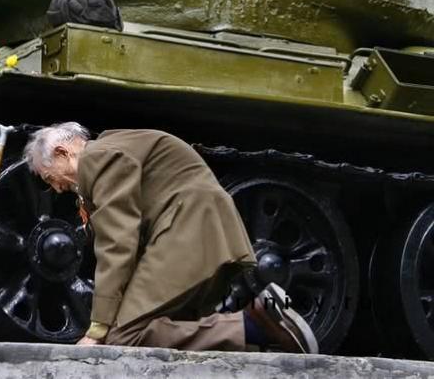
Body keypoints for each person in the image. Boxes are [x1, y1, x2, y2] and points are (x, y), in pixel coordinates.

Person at [22, 122, 318, 353]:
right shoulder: (110, 152)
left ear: (63, 153)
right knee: (165, 328)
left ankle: (254, 326)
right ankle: (265, 333)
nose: (57, 188)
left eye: (51, 177)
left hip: (187, 229)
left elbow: (117, 244)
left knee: (123, 336)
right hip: (195, 228)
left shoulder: (97, 158)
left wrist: (97, 328)